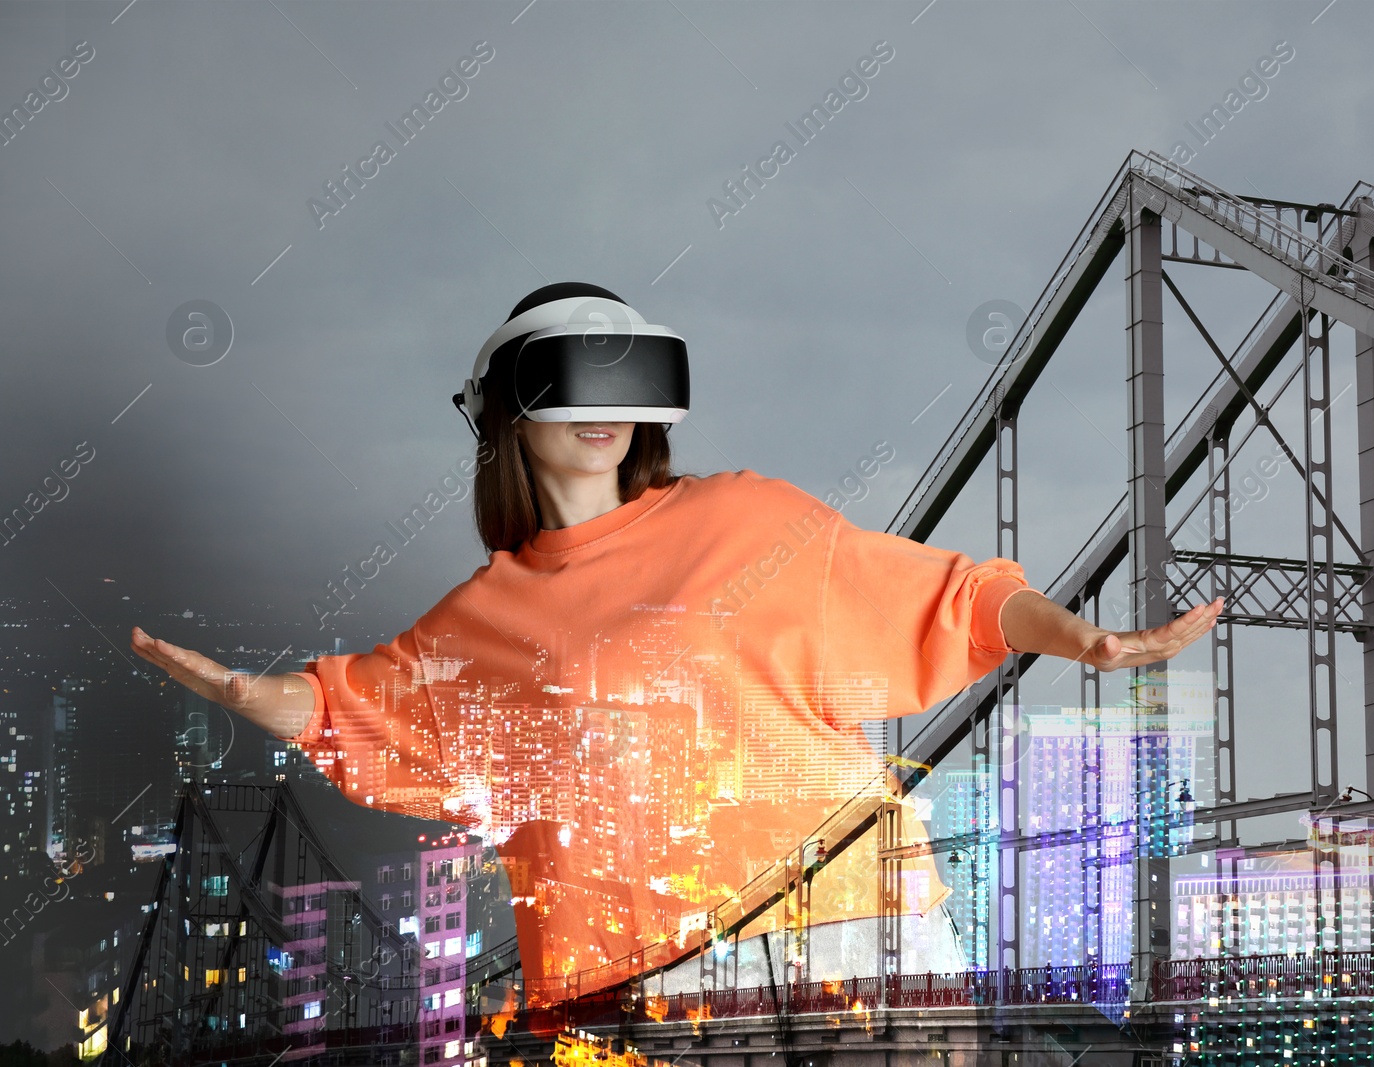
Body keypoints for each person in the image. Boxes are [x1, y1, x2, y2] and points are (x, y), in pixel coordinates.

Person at [131, 283, 1222, 999]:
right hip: (645, 975)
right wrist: (255, 696)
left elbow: (946, 596)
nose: (606, 408)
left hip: (855, 925)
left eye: (628, 377)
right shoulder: (484, 617)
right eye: (574, 375)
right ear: (507, 409)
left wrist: (1075, 636)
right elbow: (359, 710)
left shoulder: (750, 519)